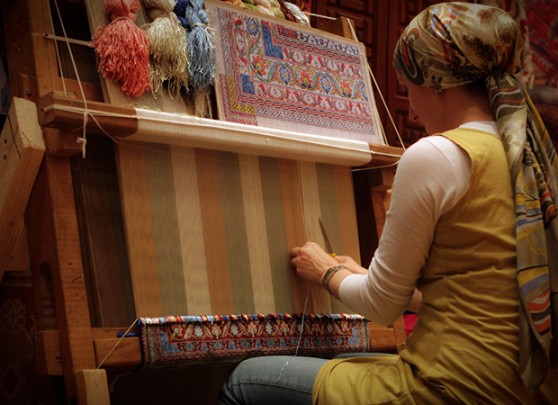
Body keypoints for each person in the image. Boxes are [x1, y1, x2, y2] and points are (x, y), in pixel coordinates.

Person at [219, 2, 558, 404]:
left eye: (407, 85)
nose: (411, 104)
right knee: (350, 360)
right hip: (525, 389)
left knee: (242, 382)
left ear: (433, 82)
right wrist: (362, 274)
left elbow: (381, 306)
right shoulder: (529, 158)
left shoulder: (438, 154)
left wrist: (326, 270)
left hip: (451, 388)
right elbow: (474, 290)